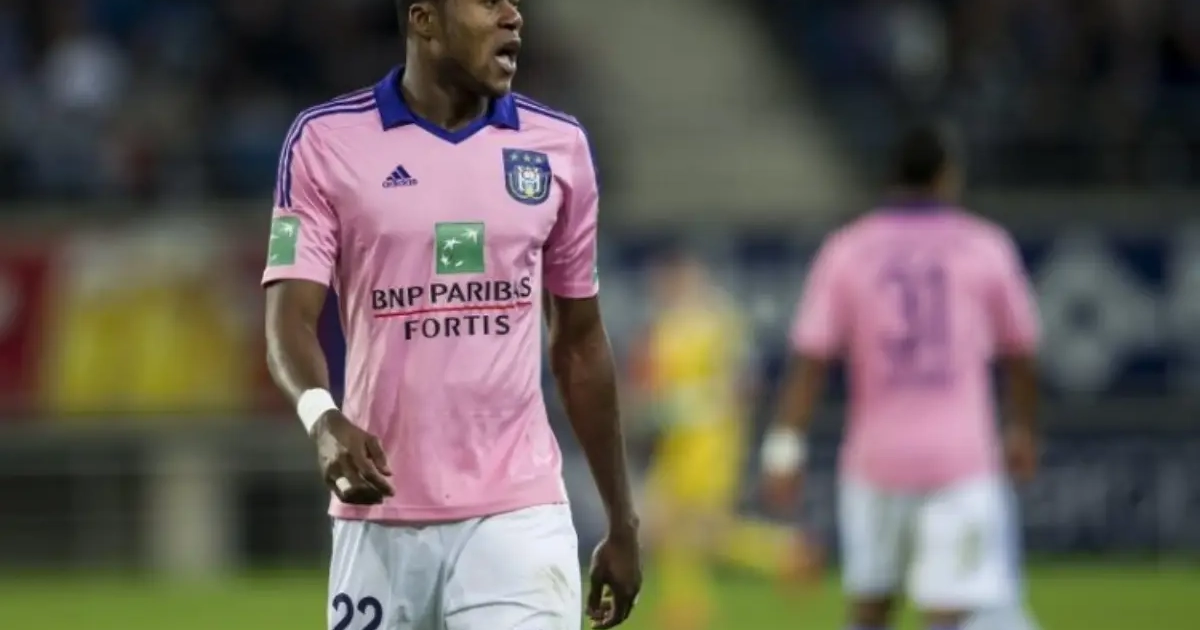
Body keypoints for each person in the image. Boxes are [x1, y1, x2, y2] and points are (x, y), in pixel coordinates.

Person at [262, 1, 642, 629]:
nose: (513, 16)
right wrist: (322, 418)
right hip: (379, 513)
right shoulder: (325, 141)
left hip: (519, 516)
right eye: (488, 1)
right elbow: (289, 320)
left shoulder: (558, 147)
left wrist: (621, 520)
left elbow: (579, 343)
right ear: (425, 20)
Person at [761, 123, 1042, 630]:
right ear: (946, 176)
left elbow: (811, 360)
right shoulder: (984, 246)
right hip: (960, 459)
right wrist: (1021, 428)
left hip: (876, 461)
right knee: (952, 612)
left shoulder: (848, 249)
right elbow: (1020, 351)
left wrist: (784, 448)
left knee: (871, 609)